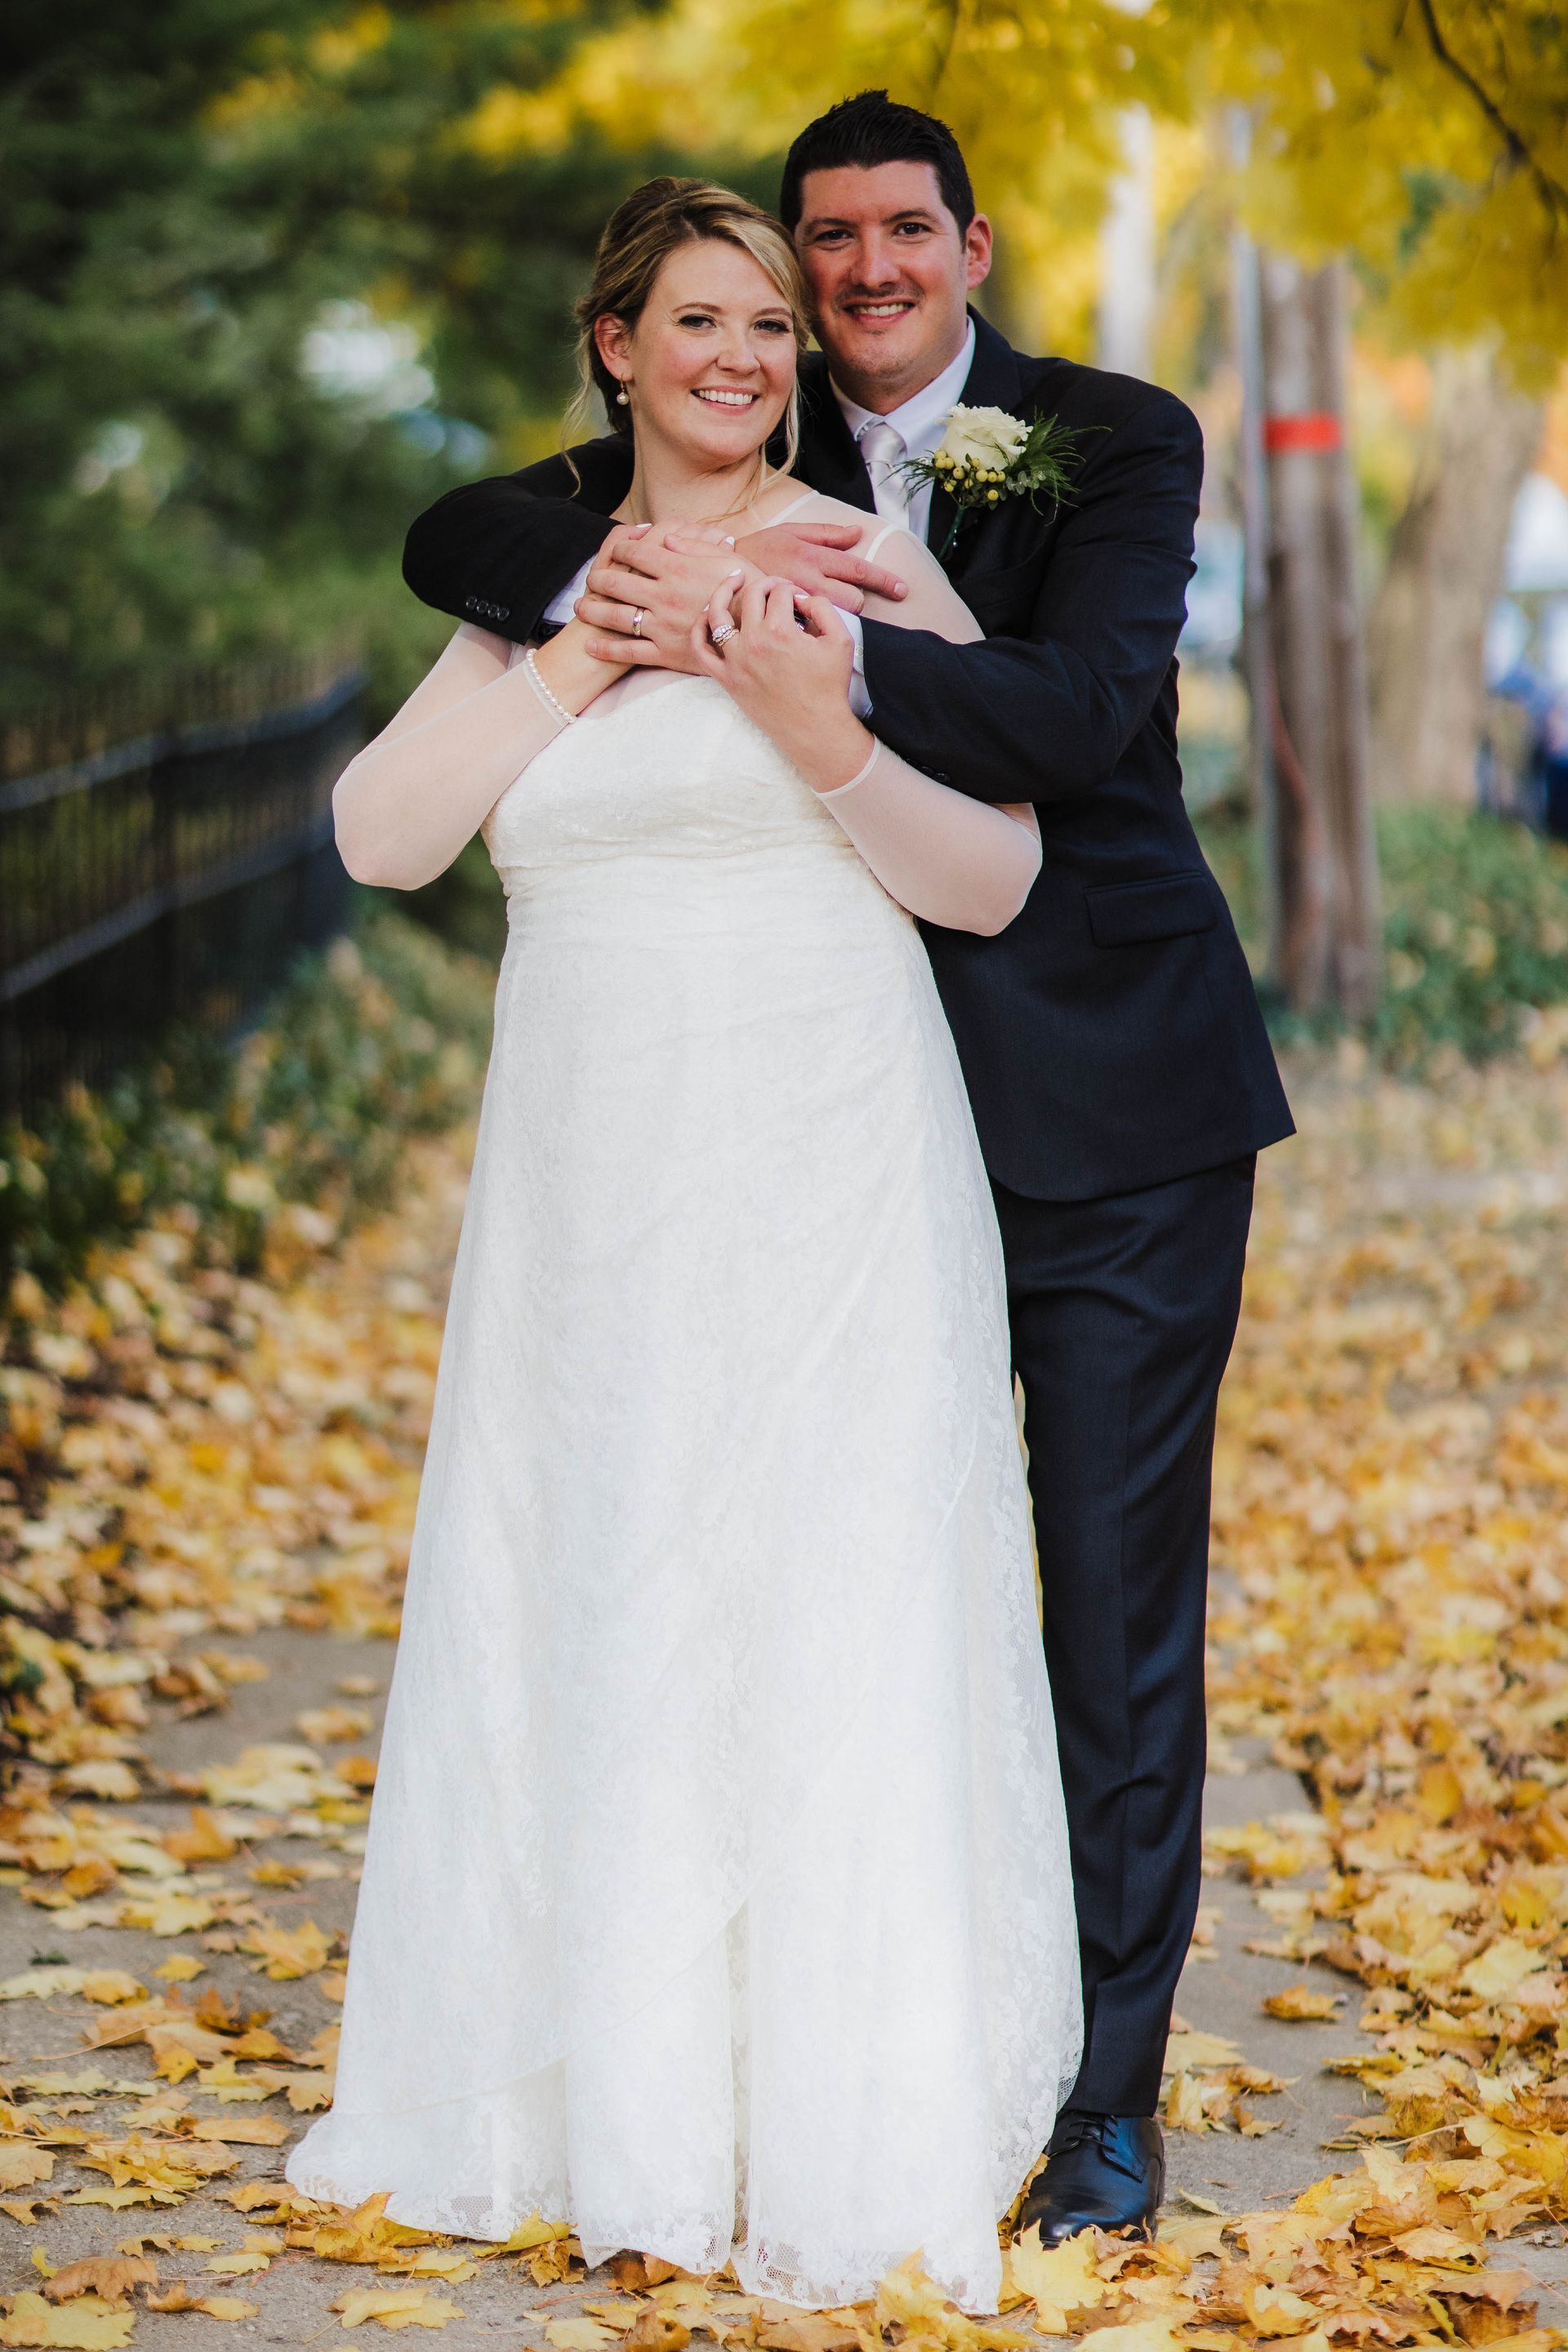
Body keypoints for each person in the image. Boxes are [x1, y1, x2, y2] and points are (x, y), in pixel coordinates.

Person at [399, 91, 1295, 2246]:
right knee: (833, 1592)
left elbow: (1081, 718)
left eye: (912, 232)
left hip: (1106, 1112)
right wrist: (671, 568)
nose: (871, 271)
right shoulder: (721, 463)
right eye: (833, 244)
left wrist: (774, 635)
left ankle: (1099, 2097)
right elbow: (466, 541)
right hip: (821, 1122)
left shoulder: (1106, 438)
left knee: (1107, 1606)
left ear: (975, 249)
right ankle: (801, 2037)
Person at [286, 176, 1082, 2314]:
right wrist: (583, 660)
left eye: (768, 324)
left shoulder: (860, 558)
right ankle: (622, 2123)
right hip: (592, 1174)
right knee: (610, 1572)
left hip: (831, 1143)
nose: (743, 353)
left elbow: (993, 877)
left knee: (820, 1579)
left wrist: (823, 730)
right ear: (616, 346)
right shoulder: (550, 581)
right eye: (699, 319)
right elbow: (379, 837)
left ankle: (832, 2115)